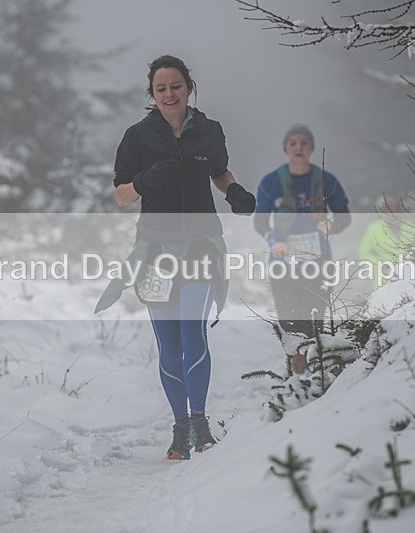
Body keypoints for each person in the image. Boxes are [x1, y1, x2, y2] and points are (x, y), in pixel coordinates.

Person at [94, 55, 255, 461]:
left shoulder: (210, 132)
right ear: (152, 94)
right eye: (161, 88)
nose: (169, 94)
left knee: (191, 333)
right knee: (168, 344)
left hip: (201, 245)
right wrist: (145, 181)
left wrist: (233, 192)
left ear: (189, 87)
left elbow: (220, 171)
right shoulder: (137, 137)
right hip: (155, 251)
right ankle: (179, 428)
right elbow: (120, 194)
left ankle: (200, 424)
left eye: (176, 86)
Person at [253, 124, 350, 374]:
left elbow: (345, 217)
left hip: (318, 262)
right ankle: (296, 377)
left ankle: (319, 375)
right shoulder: (271, 182)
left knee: (314, 320)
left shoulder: (326, 180)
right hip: (282, 264)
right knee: (290, 323)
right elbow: (260, 221)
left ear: (311, 148)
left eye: (304, 142)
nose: (298, 147)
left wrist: (331, 225)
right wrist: (274, 240)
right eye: (293, 143)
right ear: (286, 148)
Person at [358, 195, 415, 290]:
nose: (392, 214)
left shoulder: (412, 228)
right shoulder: (374, 229)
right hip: (383, 283)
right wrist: (379, 265)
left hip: (411, 281)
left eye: (396, 210)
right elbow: (364, 253)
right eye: (389, 210)